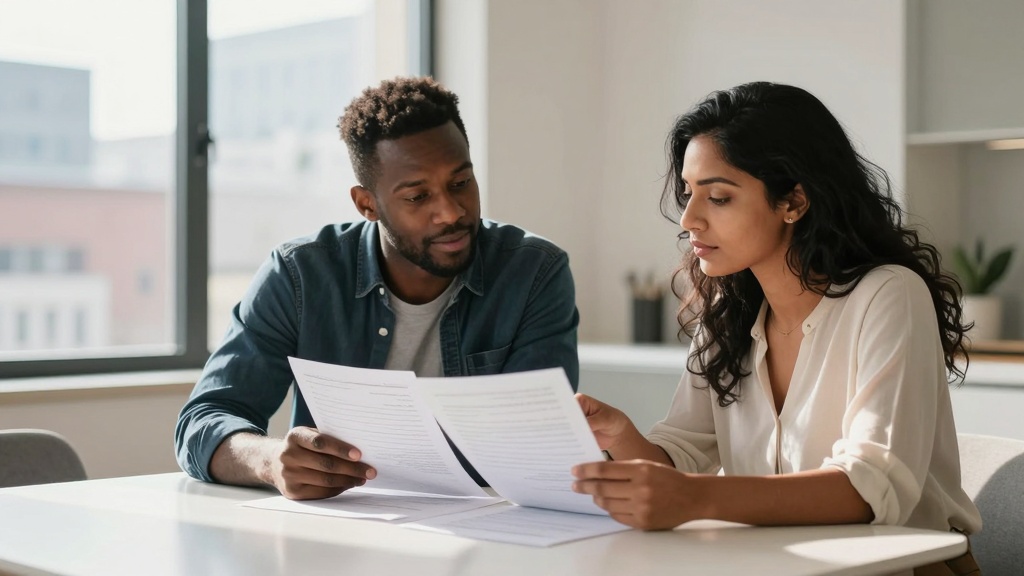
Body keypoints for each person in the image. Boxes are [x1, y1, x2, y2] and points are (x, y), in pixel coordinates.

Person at [571, 82, 981, 573]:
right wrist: (620, 434)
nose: (688, 219)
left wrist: (698, 497)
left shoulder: (887, 294)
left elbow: (873, 488)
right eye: (687, 194)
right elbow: (681, 461)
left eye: (718, 197)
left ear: (793, 201)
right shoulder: (729, 313)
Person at [175, 76, 579, 500]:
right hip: (343, 537)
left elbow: (538, 447)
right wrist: (270, 461)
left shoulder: (534, 273)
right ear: (367, 203)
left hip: (492, 535)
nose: (451, 212)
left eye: (460, 183)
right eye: (418, 196)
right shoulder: (299, 276)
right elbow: (203, 421)